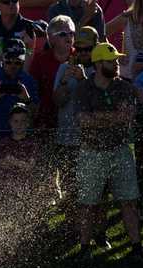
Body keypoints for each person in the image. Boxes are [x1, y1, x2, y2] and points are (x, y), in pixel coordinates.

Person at [75, 42, 142, 256]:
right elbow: (83, 120)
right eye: (111, 61)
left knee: (129, 201)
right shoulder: (84, 87)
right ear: (98, 63)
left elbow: (127, 117)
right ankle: (85, 247)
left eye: (116, 60)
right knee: (88, 203)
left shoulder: (123, 86)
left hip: (120, 150)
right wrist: (113, 117)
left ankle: (136, 246)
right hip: (91, 152)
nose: (116, 64)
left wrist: (99, 117)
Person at [0, 39, 39, 185]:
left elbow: (35, 114)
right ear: (2, 58)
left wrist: (26, 99)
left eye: (18, 62)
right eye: (9, 61)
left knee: (23, 188)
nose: (13, 66)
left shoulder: (28, 81)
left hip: (21, 141)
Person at [0, 102, 50, 254]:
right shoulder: (4, 142)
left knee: (20, 221)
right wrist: (15, 162)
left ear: (28, 122)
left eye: (23, 121)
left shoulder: (32, 143)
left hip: (24, 190)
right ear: (10, 123)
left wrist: (12, 161)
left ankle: (16, 249)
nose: (19, 125)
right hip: (4, 189)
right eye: (16, 121)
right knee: (0, 219)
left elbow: (30, 166)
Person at [52, 25, 98, 225]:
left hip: (93, 141)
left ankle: (95, 229)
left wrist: (83, 80)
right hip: (67, 138)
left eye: (87, 49)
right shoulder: (64, 67)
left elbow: (100, 103)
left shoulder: (102, 67)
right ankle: (70, 227)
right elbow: (57, 101)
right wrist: (64, 82)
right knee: (70, 186)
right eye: (79, 49)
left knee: (93, 188)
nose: (83, 53)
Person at [29, 15, 77, 132]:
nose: (68, 37)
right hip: (47, 124)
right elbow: (33, 92)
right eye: (63, 34)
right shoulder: (40, 60)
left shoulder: (81, 57)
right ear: (51, 38)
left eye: (71, 33)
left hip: (74, 123)